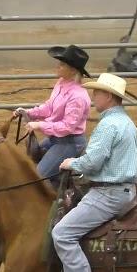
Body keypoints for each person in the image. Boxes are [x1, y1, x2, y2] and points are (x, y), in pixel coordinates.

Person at [48, 73, 137, 272]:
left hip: (108, 195)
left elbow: (92, 163)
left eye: (97, 93)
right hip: (127, 191)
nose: (93, 97)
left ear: (108, 96)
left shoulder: (108, 125)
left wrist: (71, 164)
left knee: (62, 233)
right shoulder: (127, 122)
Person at [13, 44, 92, 188]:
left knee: (37, 178)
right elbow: (49, 107)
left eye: (62, 64)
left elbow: (67, 127)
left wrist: (39, 125)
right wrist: (28, 112)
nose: (58, 66)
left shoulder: (78, 96)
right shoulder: (61, 83)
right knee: (32, 161)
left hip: (70, 142)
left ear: (73, 70)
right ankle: (58, 187)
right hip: (58, 139)